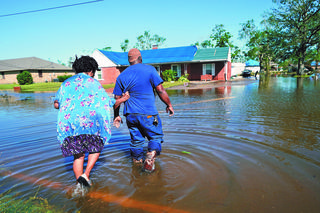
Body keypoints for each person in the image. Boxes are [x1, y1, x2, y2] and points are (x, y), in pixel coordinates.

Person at [53, 56, 129, 194]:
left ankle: (79, 185)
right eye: (93, 71)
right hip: (91, 125)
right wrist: (123, 98)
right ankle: (86, 174)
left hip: (71, 126)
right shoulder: (93, 83)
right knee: (96, 147)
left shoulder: (66, 84)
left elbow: (57, 104)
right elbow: (107, 102)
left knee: (78, 155)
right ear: (90, 70)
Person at [113, 48, 174, 172]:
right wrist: (169, 105)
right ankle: (151, 154)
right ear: (140, 58)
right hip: (148, 113)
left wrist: (116, 115)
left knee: (136, 141)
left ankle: (137, 164)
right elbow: (160, 89)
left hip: (130, 115)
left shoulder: (121, 76)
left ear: (129, 61)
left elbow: (116, 99)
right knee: (155, 137)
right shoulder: (150, 69)